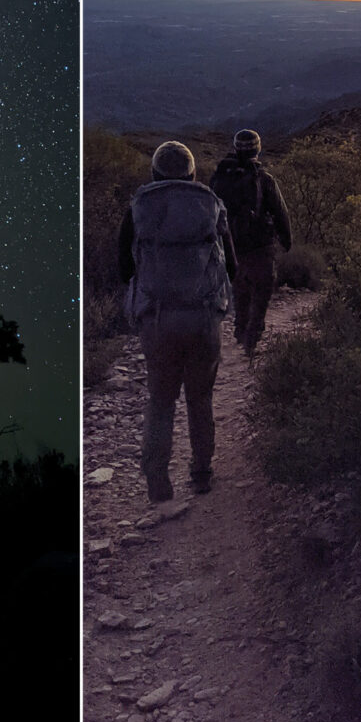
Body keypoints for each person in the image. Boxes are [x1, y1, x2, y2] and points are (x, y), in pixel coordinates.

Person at [118, 141, 237, 502]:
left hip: (158, 320)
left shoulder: (139, 206)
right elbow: (231, 265)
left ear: (154, 172)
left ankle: (158, 483)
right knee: (200, 398)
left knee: (161, 400)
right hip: (202, 319)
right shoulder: (211, 205)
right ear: (192, 172)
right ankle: (201, 474)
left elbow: (124, 267)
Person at [208, 129, 293, 356]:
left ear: (236, 148)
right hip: (260, 246)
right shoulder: (263, 179)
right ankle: (252, 338)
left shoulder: (220, 177)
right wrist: (286, 239)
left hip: (230, 245)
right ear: (258, 149)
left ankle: (240, 329)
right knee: (263, 289)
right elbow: (280, 211)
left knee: (240, 288)